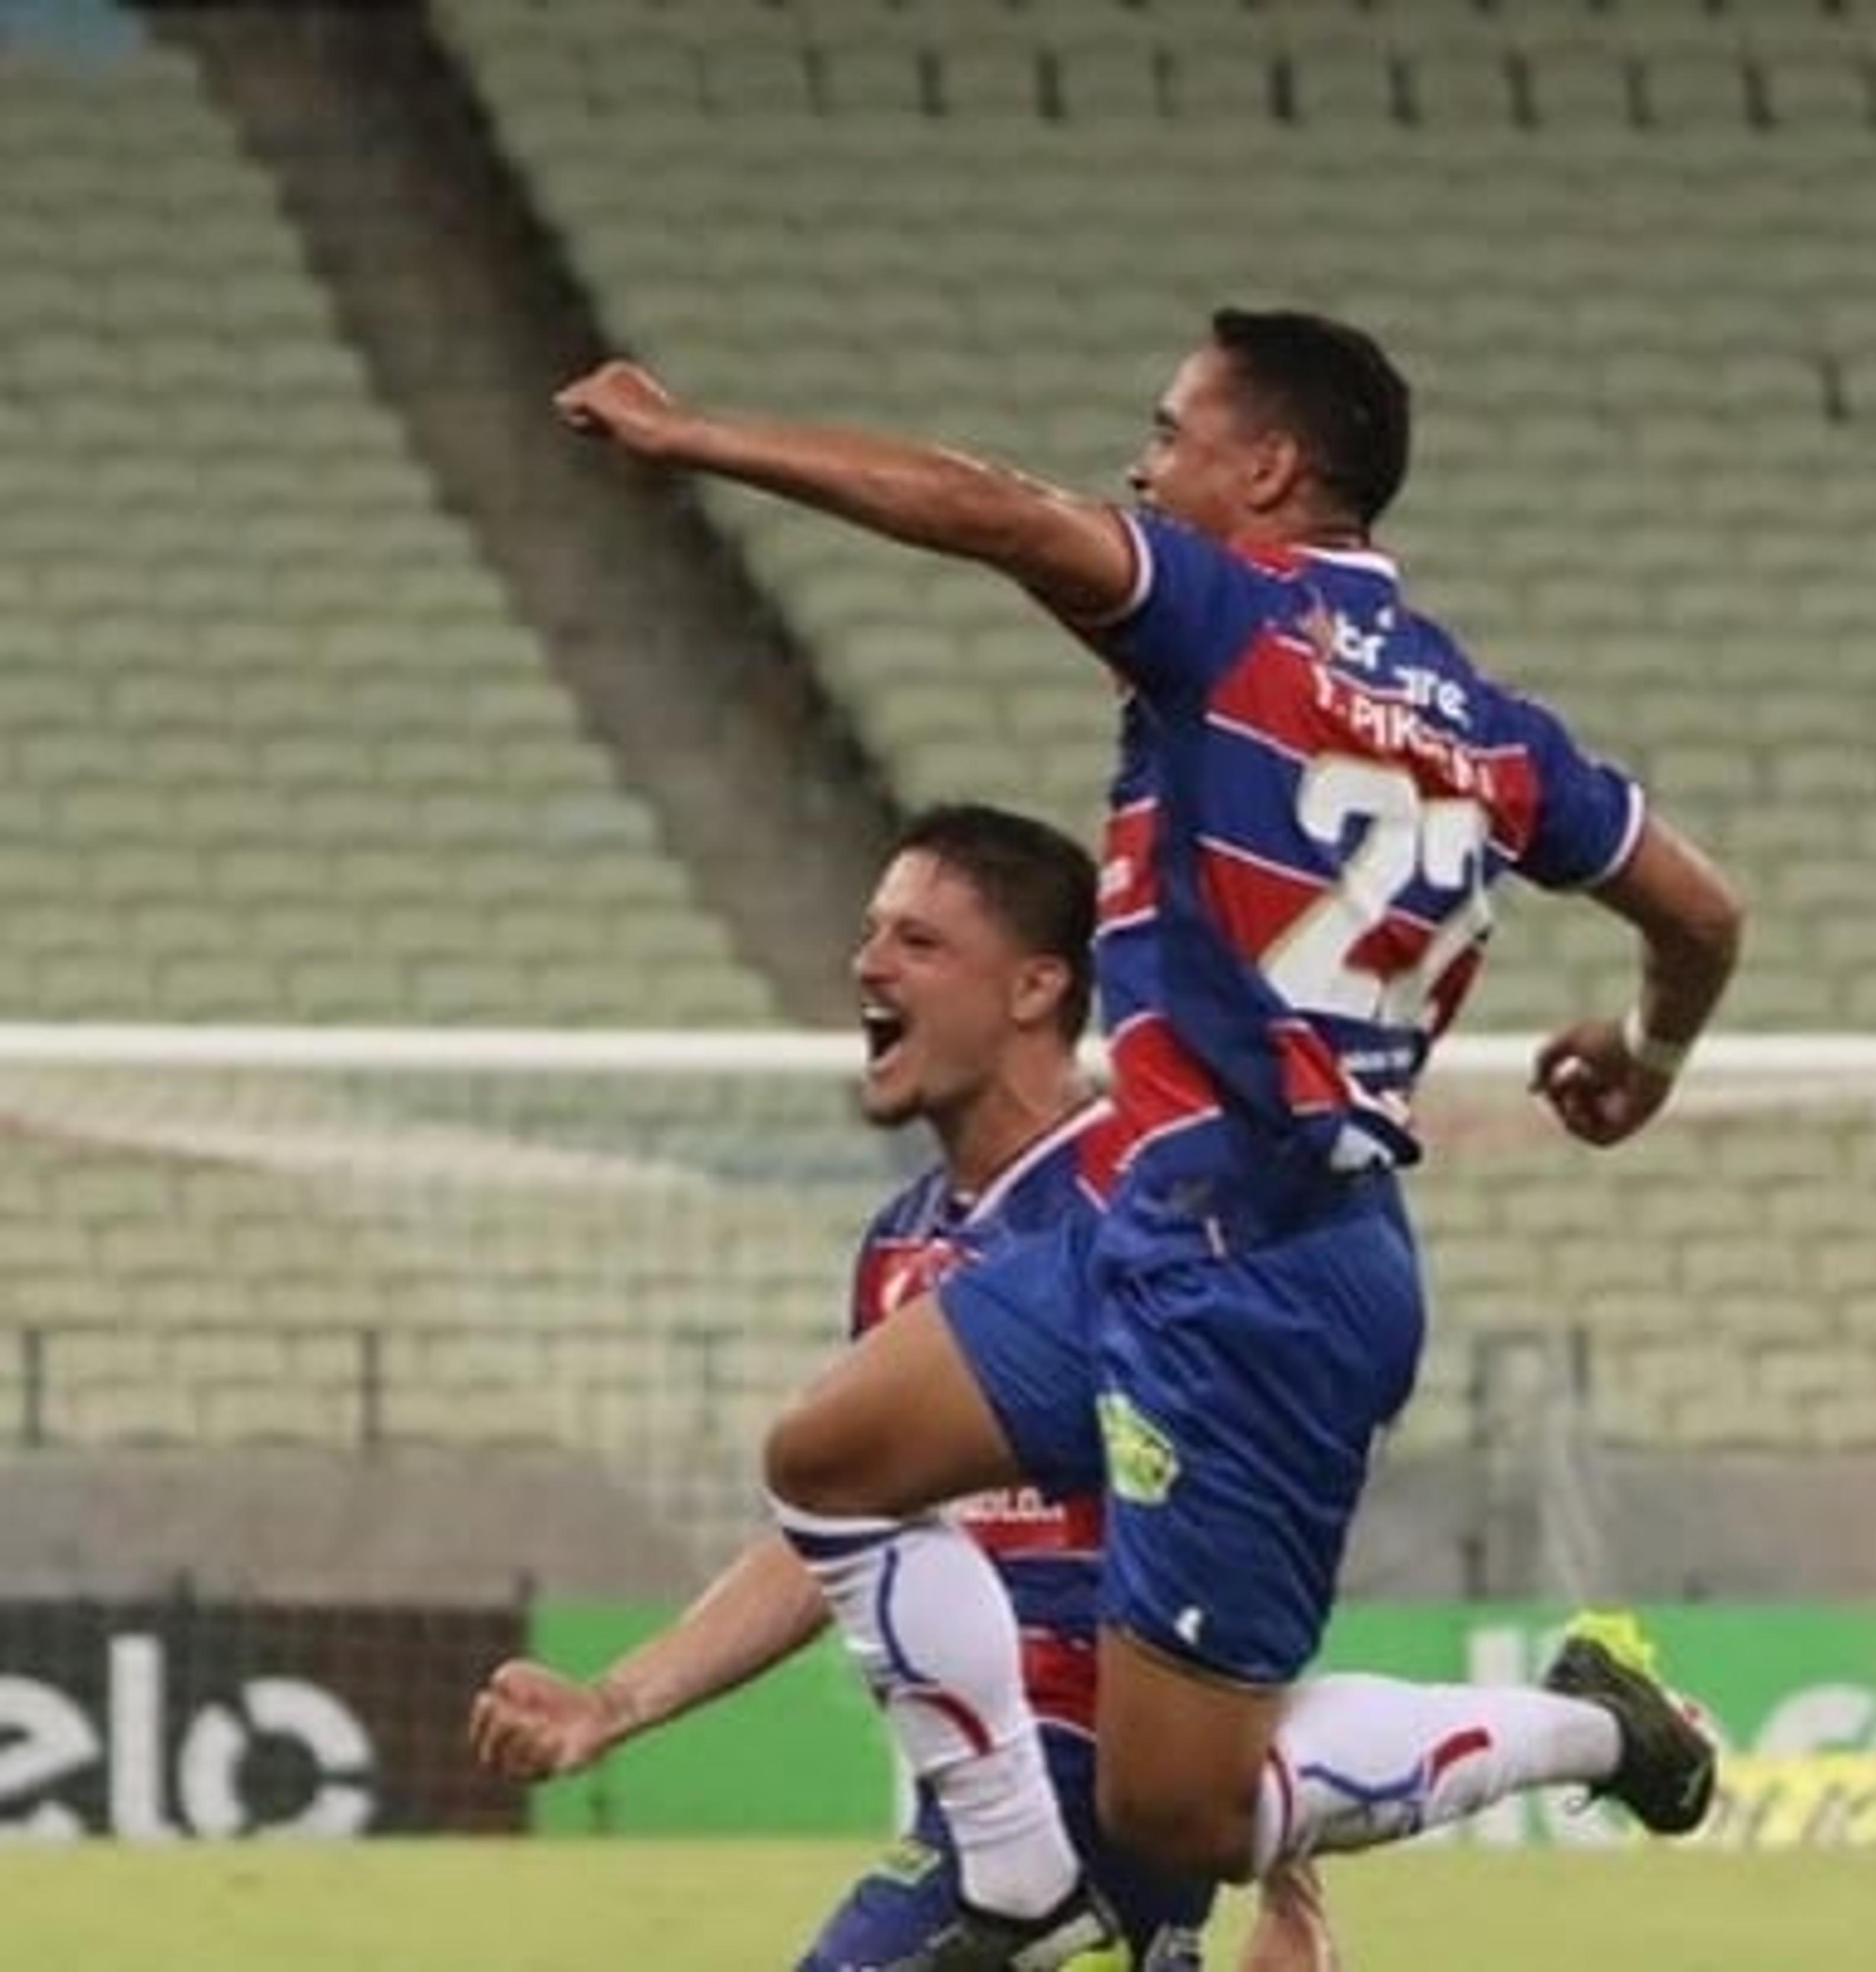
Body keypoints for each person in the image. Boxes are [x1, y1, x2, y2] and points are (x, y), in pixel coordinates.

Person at [554, 308, 1744, 1969]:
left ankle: (1602, 1728)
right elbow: (1702, 909)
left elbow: (988, 506)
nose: (1142, 462)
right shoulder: (1494, 729)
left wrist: (699, 443)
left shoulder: (1227, 618)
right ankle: (1020, 1879)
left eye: (1171, 431)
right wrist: (1647, 1049)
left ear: (1268, 470)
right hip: (1158, 1230)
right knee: (825, 1463)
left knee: (1181, 1810)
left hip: (1265, 1272)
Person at [466, 803, 1340, 1972]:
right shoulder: (902, 1249)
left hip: (1097, 1791)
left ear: (1035, 987)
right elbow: (842, 1532)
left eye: (918, 941)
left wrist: (1291, 1884)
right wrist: (613, 1702)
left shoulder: (1149, 1205)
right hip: (993, 1819)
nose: (867, 962)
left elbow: (1249, 1522)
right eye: (872, 931)